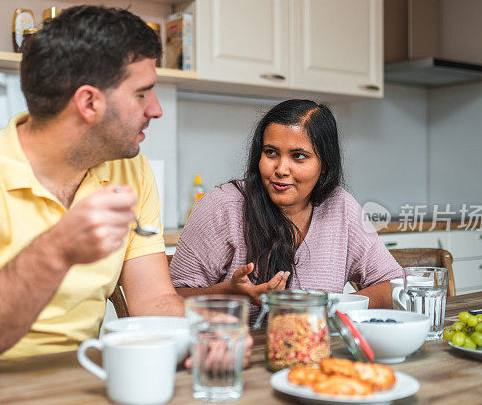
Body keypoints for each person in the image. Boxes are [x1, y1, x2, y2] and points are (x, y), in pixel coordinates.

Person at [0, 6, 184, 359]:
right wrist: (59, 248)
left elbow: (154, 301)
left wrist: (207, 332)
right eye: (142, 93)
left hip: (81, 381)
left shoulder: (131, 170)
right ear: (88, 102)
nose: (156, 109)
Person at [169, 99, 402, 313]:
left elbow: (392, 286)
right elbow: (170, 298)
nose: (281, 169)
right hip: (234, 351)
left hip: (314, 352)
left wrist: (325, 310)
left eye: (298, 156)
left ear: (324, 166)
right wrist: (228, 291)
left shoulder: (340, 207)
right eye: (271, 153)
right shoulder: (222, 207)